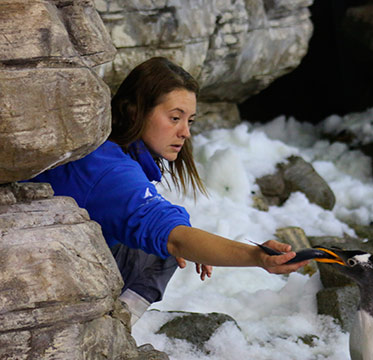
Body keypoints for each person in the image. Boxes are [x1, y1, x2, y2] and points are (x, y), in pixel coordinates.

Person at [28, 57, 309, 325]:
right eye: (175, 118)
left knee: (161, 243)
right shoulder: (111, 170)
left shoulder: (105, 153)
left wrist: (193, 242)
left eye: (189, 121)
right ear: (134, 111)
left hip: (46, 264)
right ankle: (111, 330)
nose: (185, 132)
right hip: (35, 281)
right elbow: (174, 239)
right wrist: (257, 257)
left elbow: (160, 222)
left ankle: (115, 322)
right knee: (164, 249)